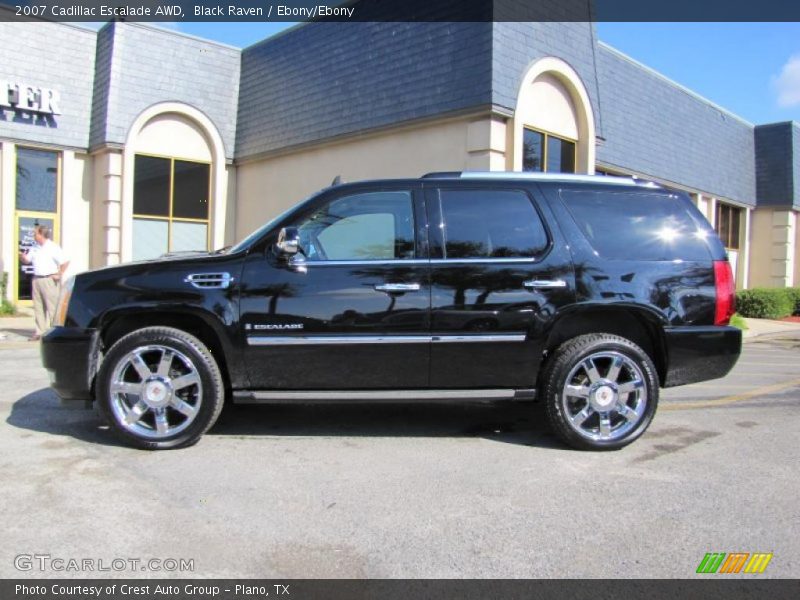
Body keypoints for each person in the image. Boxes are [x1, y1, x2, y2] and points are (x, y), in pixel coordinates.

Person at [18, 225, 69, 341]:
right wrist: (22, 257)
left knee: (52, 307)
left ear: (41, 234)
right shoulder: (34, 247)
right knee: (38, 307)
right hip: (36, 279)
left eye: (35, 233)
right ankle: (40, 332)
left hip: (49, 279)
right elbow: (27, 260)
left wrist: (59, 274)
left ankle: (54, 333)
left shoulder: (52, 247)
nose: (33, 235)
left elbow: (65, 261)